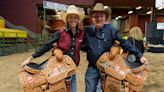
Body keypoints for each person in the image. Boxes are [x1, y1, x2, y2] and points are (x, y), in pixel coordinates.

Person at [83, 3, 148, 92]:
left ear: (105, 17)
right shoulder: (86, 31)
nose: (98, 19)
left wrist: (140, 55)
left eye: (101, 16)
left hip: (108, 66)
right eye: (96, 16)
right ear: (92, 18)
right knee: (89, 89)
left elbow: (124, 43)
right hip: (92, 66)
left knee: (108, 89)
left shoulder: (111, 29)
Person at [21, 5, 84, 92]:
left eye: (75, 17)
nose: (73, 20)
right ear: (67, 19)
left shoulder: (81, 34)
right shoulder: (60, 32)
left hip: (72, 70)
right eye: (70, 17)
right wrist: (32, 57)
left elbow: (85, 47)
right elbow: (47, 45)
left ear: (78, 19)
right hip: (59, 69)